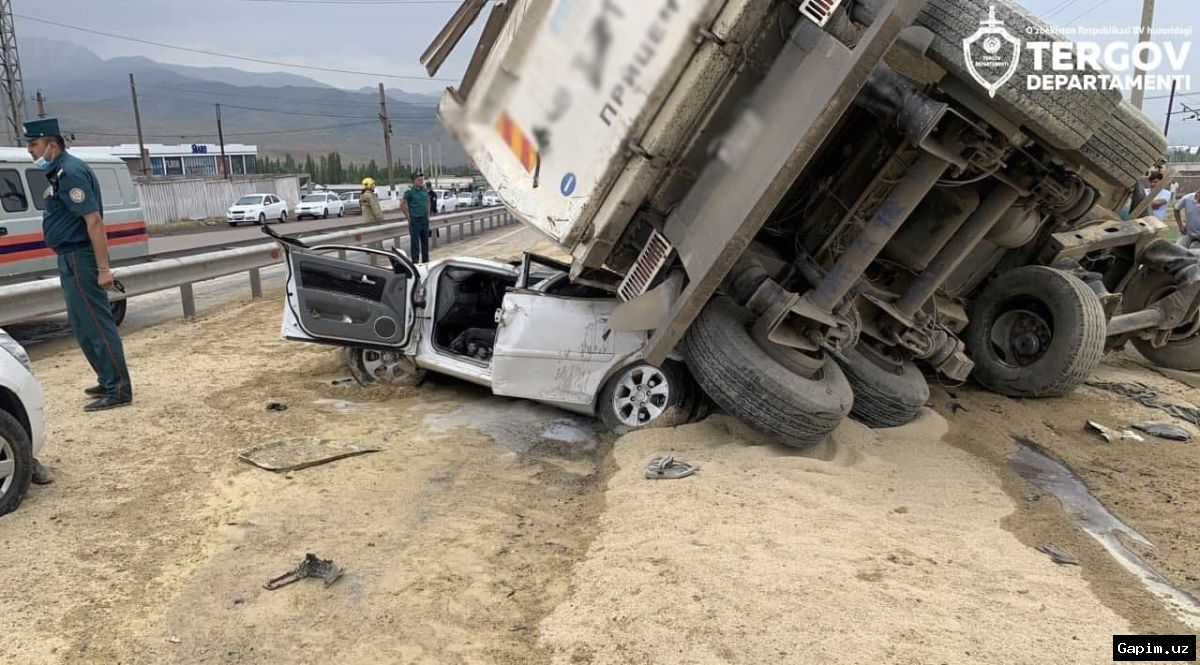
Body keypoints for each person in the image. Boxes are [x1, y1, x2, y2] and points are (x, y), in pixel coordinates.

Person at [25, 118, 133, 418]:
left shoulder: (71, 172)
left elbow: (94, 221)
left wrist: (103, 269)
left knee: (96, 324)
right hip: (69, 257)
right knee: (81, 323)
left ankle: (119, 389)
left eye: (33, 145)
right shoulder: (59, 172)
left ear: (51, 144)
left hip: (80, 257)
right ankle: (106, 379)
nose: (30, 152)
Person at [402, 173, 432, 263]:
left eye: (422, 180)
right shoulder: (410, 192)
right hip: (415, 221)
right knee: (415, 244)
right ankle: (415, 262)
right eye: (419, 180)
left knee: (425, 242)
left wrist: (428, 214)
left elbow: (428, 201)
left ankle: (425, 261)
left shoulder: (424, 191)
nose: (421, 181)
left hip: (424, 220)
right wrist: (407, 216)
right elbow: (402, 204)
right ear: (413, 181)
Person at [1174, 184, 1200, 249]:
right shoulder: (1187, 198)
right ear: (1198, 193)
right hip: (1187, 232)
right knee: (1177, 249)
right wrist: (1180, 226)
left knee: (1195, 253)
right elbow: (1176, 209)